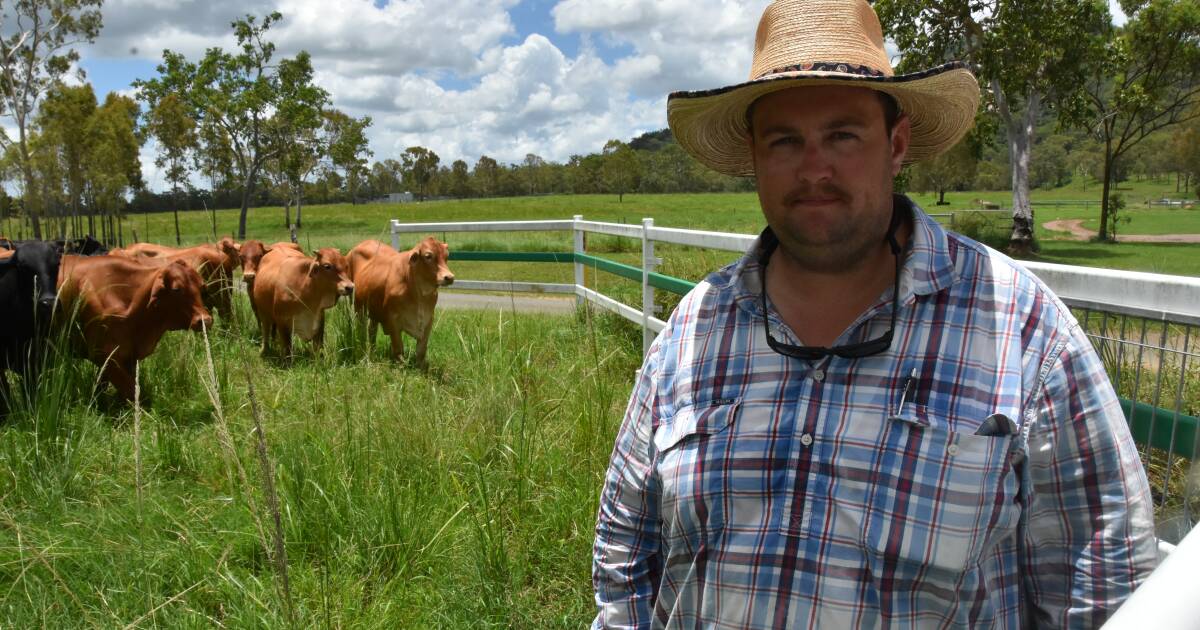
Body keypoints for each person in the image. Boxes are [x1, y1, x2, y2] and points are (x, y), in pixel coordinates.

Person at [590, 0, 1158, 628]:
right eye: (785, 140)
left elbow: (1105, 583)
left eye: (842, 135)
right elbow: (626, 552)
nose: (814, 169)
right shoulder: (694, 329)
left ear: (896, 143)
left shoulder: (1024, 330)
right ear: (754, 155)